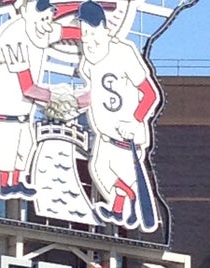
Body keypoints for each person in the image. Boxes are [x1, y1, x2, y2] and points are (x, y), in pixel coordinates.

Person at [0, 0, 79, 200]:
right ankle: (6, 183)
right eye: (45, 17)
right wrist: (56, 98)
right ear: (31, 12)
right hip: (1, 112)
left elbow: (63, 32)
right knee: (5, 151)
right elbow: (27, 86)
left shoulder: (38, 29)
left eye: (50, 17)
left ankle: (17, 181)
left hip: (21, 113)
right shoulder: (14, 36)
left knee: (24, 148)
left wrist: (97, 35)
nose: (48, 22)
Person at [74, 0, 162, 232]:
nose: (87, 38)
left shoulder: (124, 52)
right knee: (101, 172)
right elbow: (93, 95)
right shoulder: (88, 62)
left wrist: (135, 120)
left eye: (90, 31)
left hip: (126, 137)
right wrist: (73, 103)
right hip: (104, 135)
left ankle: (128, 202)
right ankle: (122, 207)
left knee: (122, 177)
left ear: (102, 27)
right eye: (83, 32)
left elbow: (150, 93)